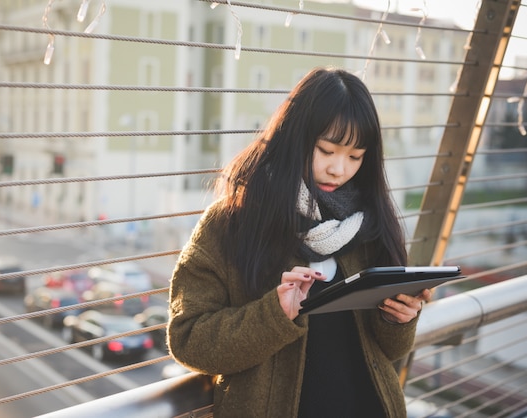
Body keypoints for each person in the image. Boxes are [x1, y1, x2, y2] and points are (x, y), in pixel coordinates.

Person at [167, 67, 432, 417]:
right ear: (295, 137)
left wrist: (398, 319)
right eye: (327, 151)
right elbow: (189, 340)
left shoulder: (369, 222)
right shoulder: (231, 221)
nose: (340, 169)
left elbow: (389, 351)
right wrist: (274, 315)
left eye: (355, 156)